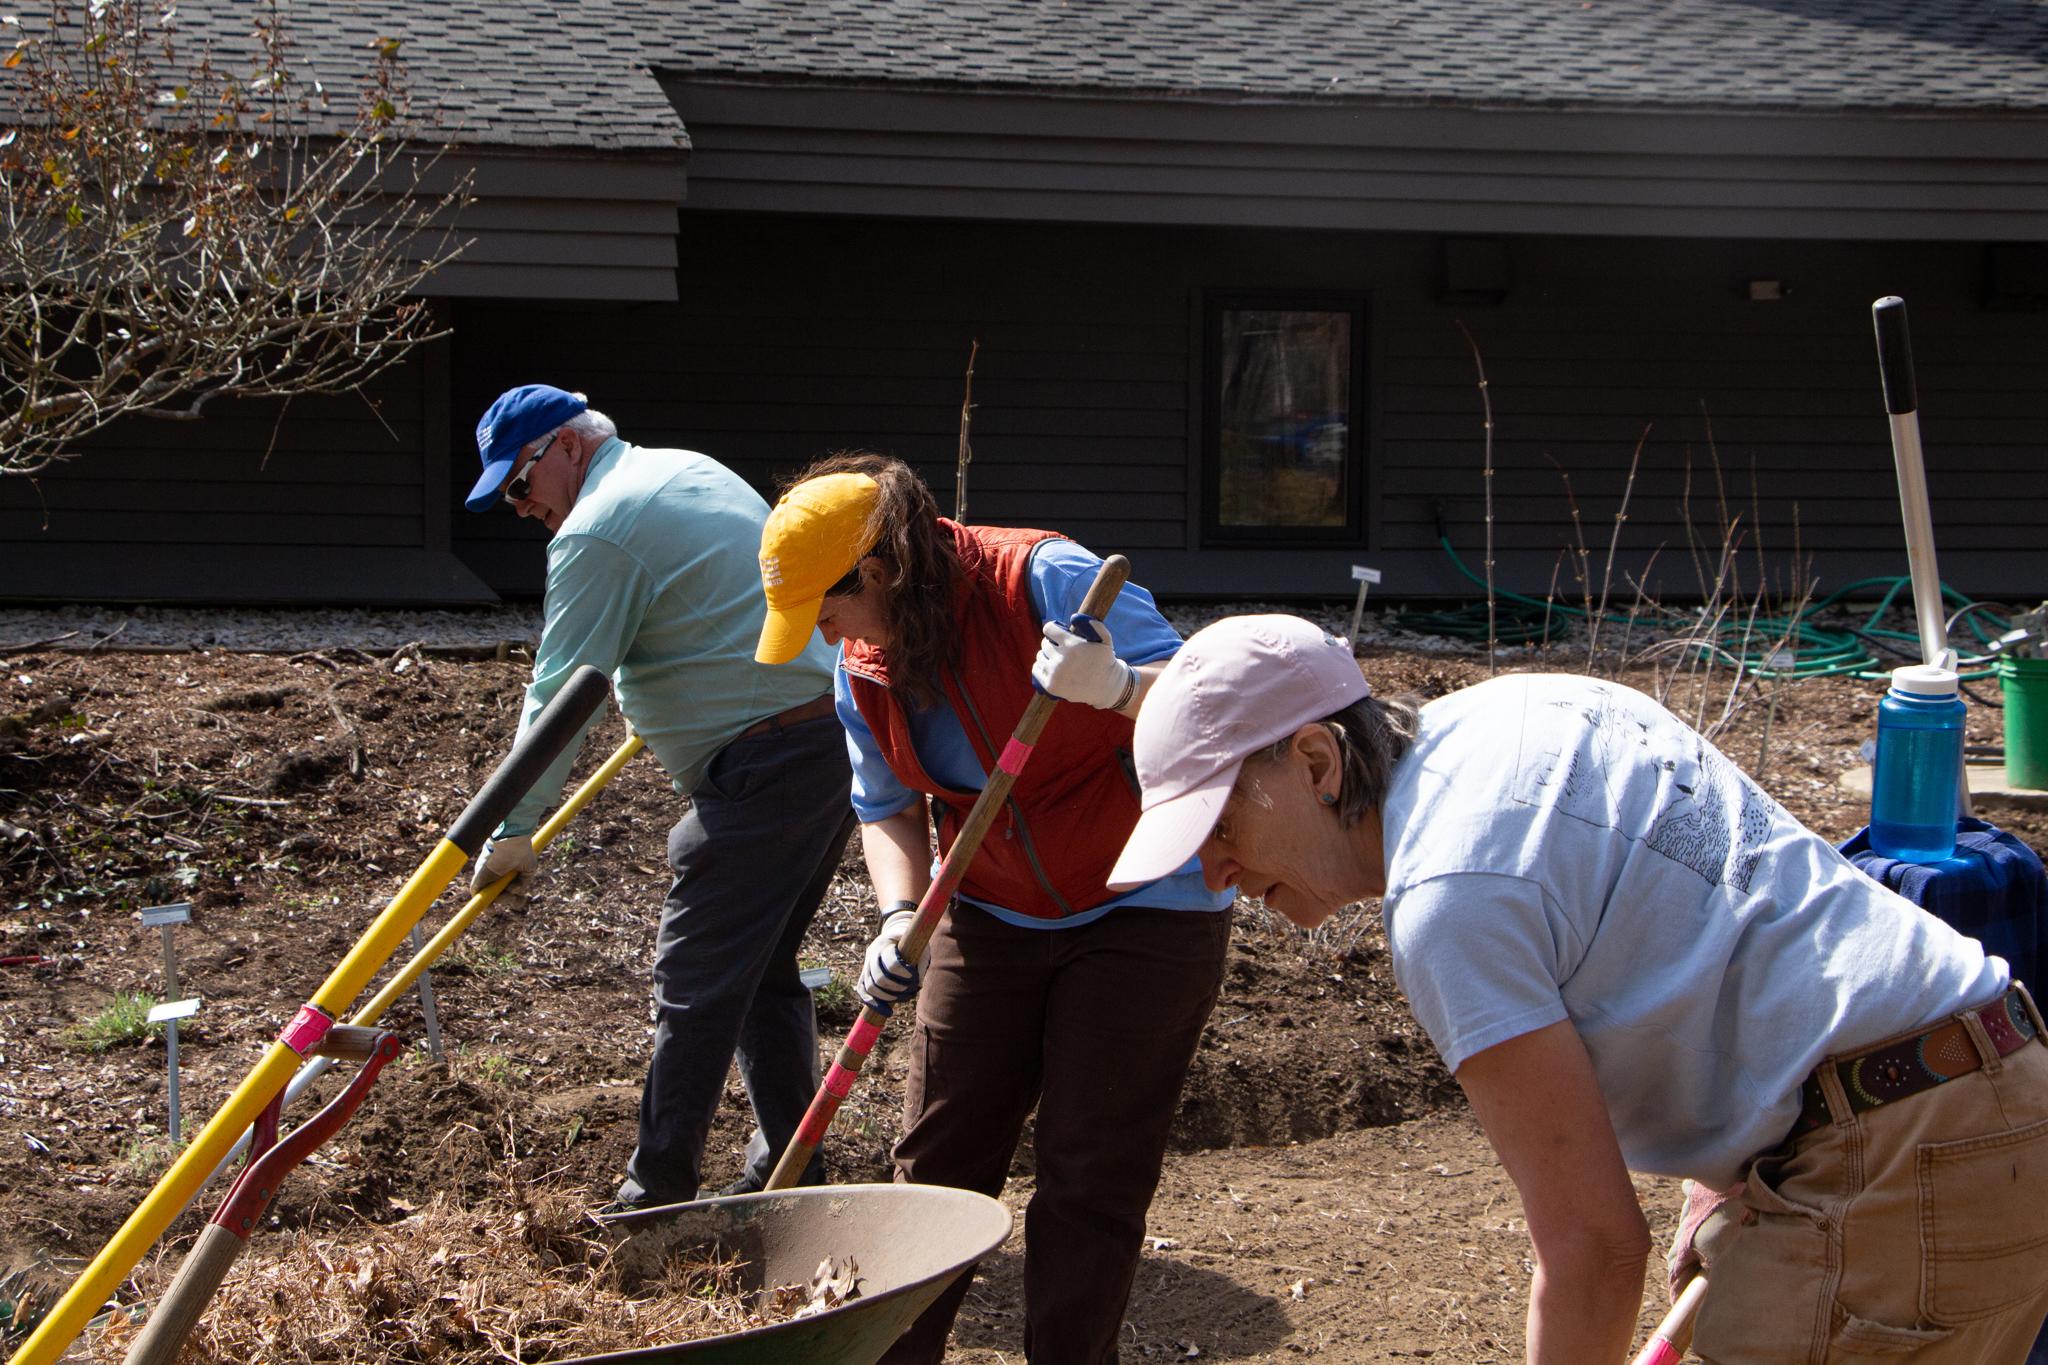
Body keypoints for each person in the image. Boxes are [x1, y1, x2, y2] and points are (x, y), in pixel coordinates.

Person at [1109, 613, 2048, 1365]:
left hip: (1897, 1156)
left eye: (1220, 826)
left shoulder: (1454, 899)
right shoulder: (1527, 711)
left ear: (1315, 762)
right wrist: (1741, 1171)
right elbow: (1728, 932)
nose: (1215, 874)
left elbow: (1595, 1250)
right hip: (1980, 1089)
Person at [751, 453, 1235, 1364]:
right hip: (990, 906)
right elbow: (887, 803)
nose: (822, 631)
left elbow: (1214, 706)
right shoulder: (863, 665)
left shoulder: (1044, 580)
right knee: (934, 1161)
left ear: (881, 572)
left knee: (1088, 1172)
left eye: (826, 605)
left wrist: (1118, 687)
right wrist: (900, 915)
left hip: (1146, 899)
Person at [463, 384, 854, 1208]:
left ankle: (656, 1190)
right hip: (824, 743)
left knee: (696, 974)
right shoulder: (683, 470)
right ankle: (792, 1168)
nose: (521, 505)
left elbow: (562, 693)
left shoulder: (599, 527)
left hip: (769, 760)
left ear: (568, 445)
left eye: (520, 483)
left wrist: (513, 823)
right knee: (759, 969)